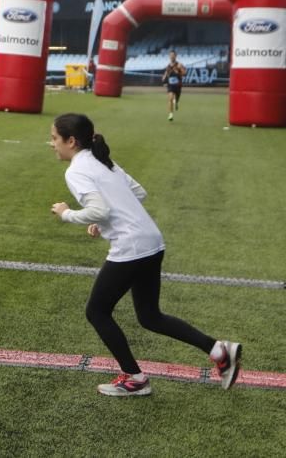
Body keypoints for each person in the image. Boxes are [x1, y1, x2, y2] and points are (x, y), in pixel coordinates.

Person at [49, 113, 241, 397]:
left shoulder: (76, 170)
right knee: (150, 316)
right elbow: (137, 193)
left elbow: (101, 209)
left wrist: (68, 214)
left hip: (132, 247)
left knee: (97, 311)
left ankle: (135, 378)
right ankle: (218, 350)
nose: (52, 144)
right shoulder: (103, 161)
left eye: (54, 138)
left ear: (72, 141)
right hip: (151, 241)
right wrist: (102, 221)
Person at [161, 49, 186, 121]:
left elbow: (184, 73)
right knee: (170, 98)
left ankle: (176, 102)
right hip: (170, 86)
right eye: (170, 55)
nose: (172, 57)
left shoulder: (179, 65)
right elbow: (165, 74)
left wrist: (178, 71)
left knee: (176, 100)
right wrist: (163, 78)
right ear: (169, 56)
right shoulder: (168, 66)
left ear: (175, 56)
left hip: (178, 86)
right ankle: (170, 114)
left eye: (173, 55)